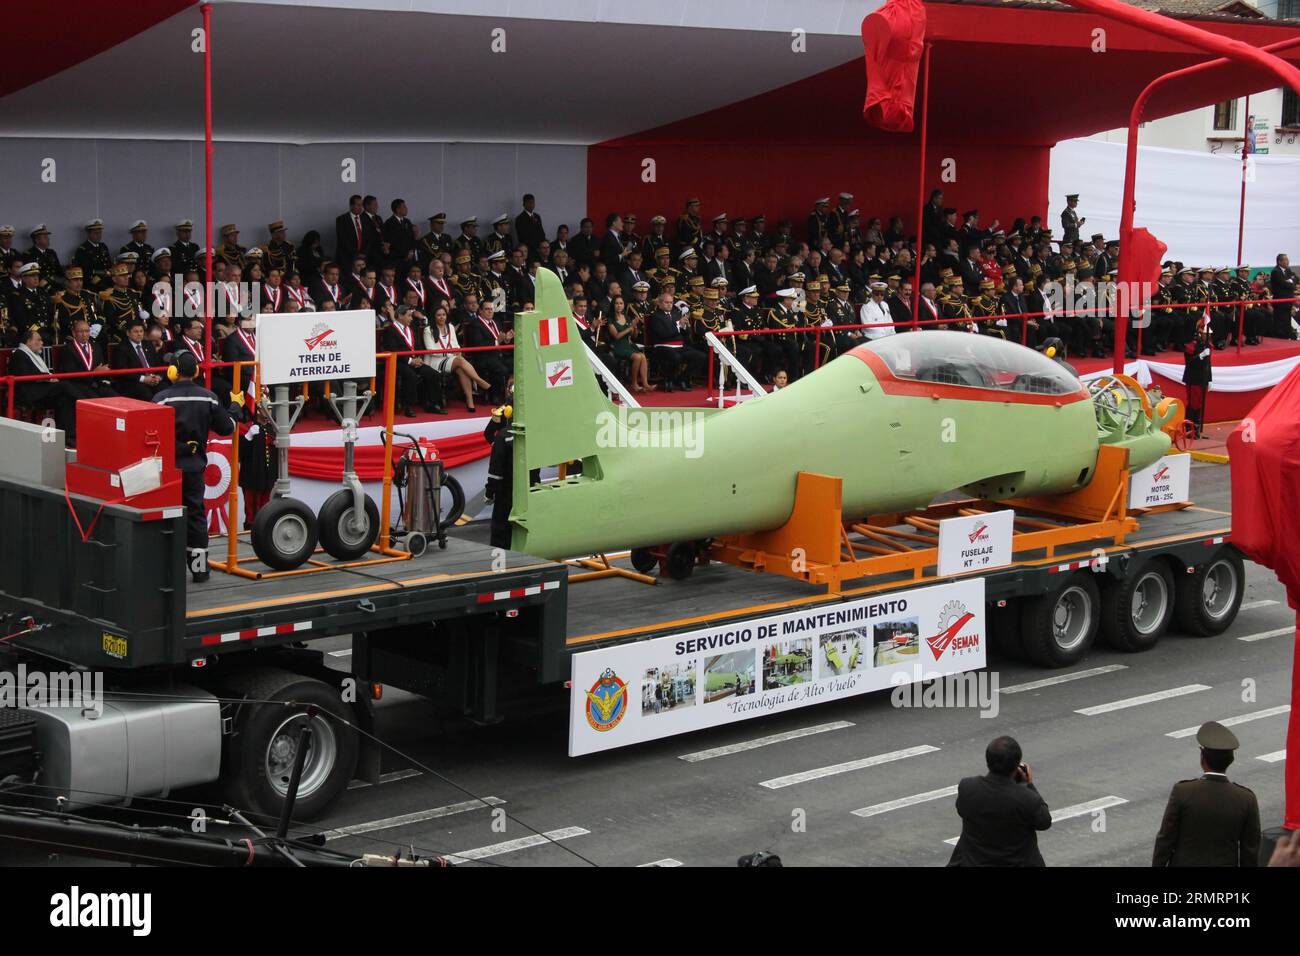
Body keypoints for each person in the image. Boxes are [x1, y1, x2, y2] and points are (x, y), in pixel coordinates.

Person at [155, 350, 241, 582]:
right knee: (196, 518)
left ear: (172, 372)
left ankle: (167, 571)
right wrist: (235, 408)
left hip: (167, 471)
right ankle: (200, 570)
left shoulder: (160, 399)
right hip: (194, 470)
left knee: (166, 517)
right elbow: (227, 428)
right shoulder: (209, 398)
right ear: (195, 371)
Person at [1153, 721, 1261, 867]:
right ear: (1230, 761)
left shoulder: (1183, 792)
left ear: (1202, 759)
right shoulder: (1246, 799)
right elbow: (1250, 851)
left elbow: (1165, 839)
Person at [948, 736, 1051, 867]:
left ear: (988, 761)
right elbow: (1044, 822)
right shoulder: (1027, 799)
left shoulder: (968, 787)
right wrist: (1029, 784)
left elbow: (962, 810)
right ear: (1017, 764)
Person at [422, 303, 491, 412]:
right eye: (439, 315)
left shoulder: (450, 327)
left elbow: (456, 344)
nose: (442, 317)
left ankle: (470, 402)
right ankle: (478, 380)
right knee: (459, 361)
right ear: (434, 317)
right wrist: (451, 353)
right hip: (435, 362)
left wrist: (457, 351)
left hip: (450, 359)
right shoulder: (428, 330)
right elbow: (431, 351)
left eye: (444, 315)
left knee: (461, 369)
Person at [382, 304, 445, 416]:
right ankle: (408, 406)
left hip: (414, 361)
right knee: (410, 375)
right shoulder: (390, 330)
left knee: (433, 374)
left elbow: (419, 346)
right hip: (398, 362)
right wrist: (410, 361)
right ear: (400, 316)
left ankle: (431, 403)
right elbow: (393, 349)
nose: (411, 318)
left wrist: (418, 358)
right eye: (409, 316)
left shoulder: (412, 329)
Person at [7, 327, 65, 415]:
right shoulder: (19, 354)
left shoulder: (33, 354)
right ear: (29, 342)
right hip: (29, 392)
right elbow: (26, 375)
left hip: (38, 388)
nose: (42, 343)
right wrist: (49, 378)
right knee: (64, 385)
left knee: (65, 398)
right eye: (39, 340)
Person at [484, 392, 514, 550]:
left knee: (500, 530)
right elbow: (488, 433)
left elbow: (495, 472)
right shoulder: (535, 431)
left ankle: (501, 566)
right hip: (528, 487)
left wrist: (499, 446)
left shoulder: (504, 437)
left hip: (506, 489)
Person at [111, 318, 164, 401]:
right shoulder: (122, 348)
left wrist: (158, 377)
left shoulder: (149, 345)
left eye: (141, 331)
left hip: (153, 380)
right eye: (136, 332)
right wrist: (144, 379)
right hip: (134, 383)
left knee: (165, 389)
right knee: (145, 393)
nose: (139, 334)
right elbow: (122, 372)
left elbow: (159, 364)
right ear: (128, 333)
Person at [1183, 317, 1212, 438]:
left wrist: (1209, 379)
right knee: (1193, 404)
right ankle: (1189, 429)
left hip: (1203, 379)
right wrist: (1200, 356)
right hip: (1193, 378)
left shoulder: (1208, 346)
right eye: (1206, 334)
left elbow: (1208, 364)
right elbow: (1189, 363)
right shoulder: (1191, 346)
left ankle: (1197, 429)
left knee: (1200, 404)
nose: (1208, 336)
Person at [1269, 252, 1296, 339]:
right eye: (1285, 260)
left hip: (1288, 300)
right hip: (1280, 300)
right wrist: (1290, 282)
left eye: (1287, 260)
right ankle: (1280, 336)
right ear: (1279, 262)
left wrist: (1290, 281)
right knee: (1280, 319)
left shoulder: (1288, 270)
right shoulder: (1275, 271)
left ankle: (1288, 334)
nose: (1287, 262)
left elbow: (1295, 279)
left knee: (1287, 319)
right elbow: (1283, 284)